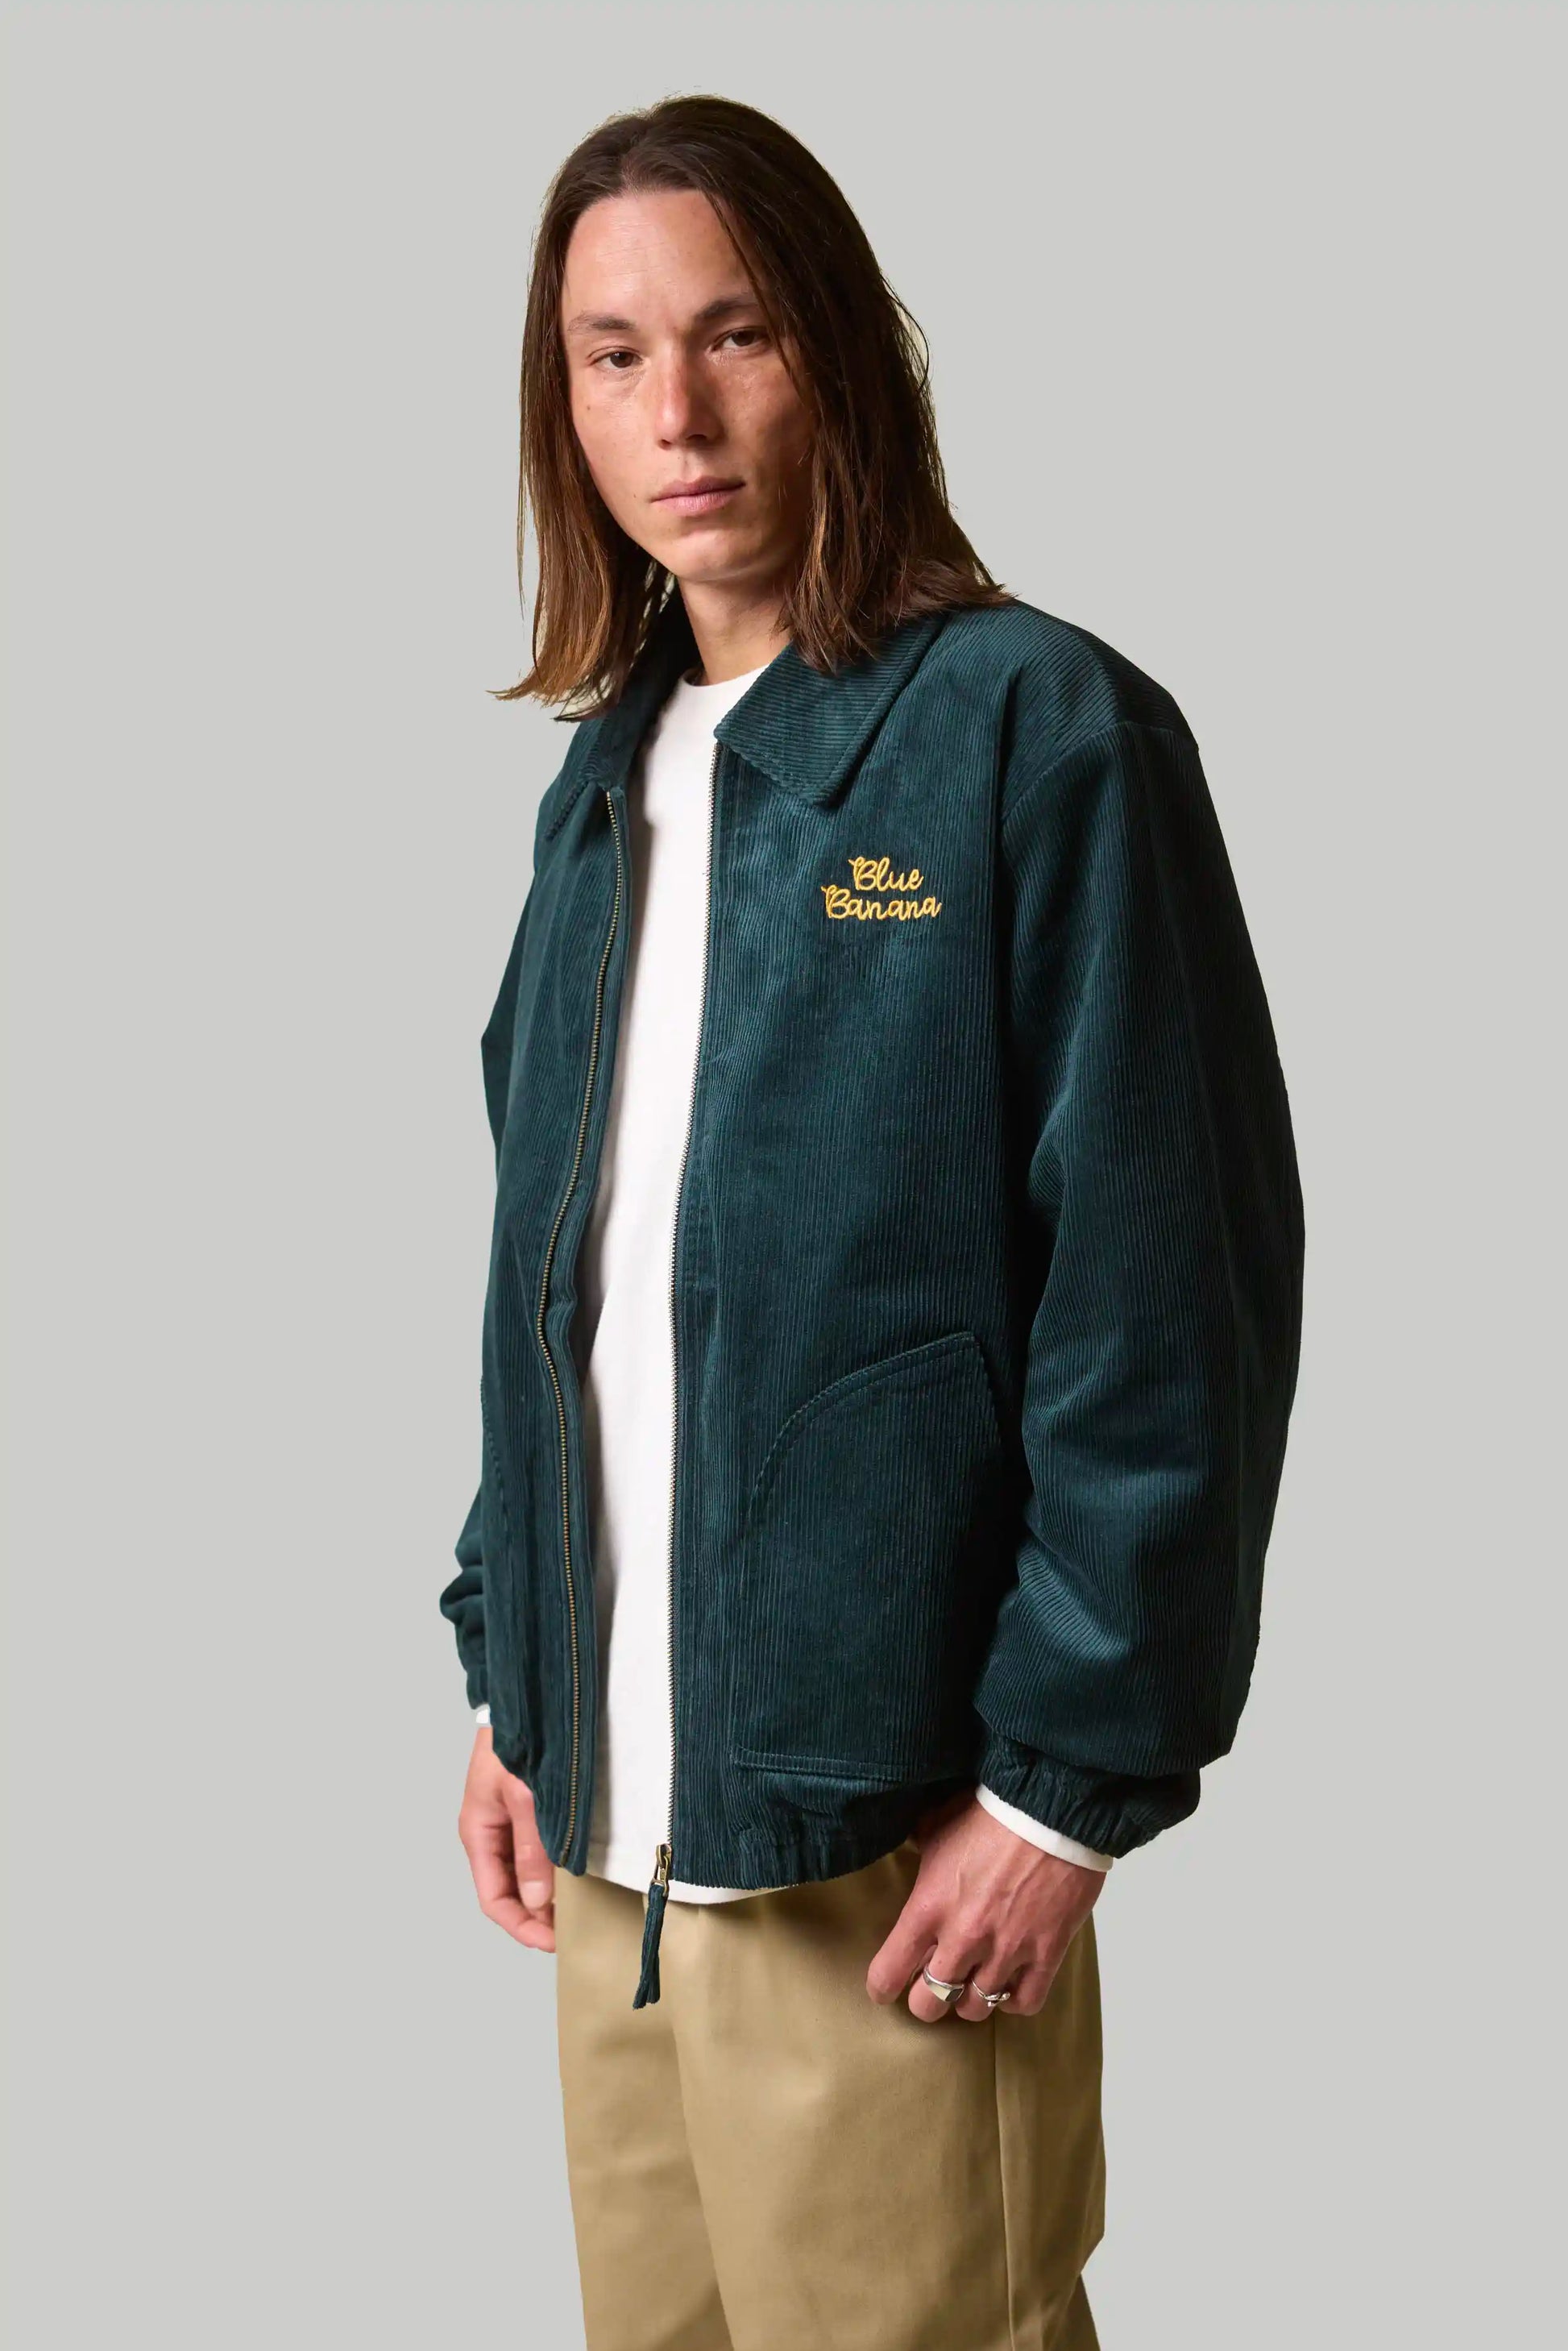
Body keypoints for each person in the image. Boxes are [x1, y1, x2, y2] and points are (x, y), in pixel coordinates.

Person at [439, 94, 1303, 2351]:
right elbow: (575, 1292)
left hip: (891, 1845)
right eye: (611, 355)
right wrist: (518, 1674)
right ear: (561, 406)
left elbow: (1166, 1302)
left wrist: (1061, 1794)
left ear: (842, 350)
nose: (676, 413)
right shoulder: (600, 788)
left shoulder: (1035, 732)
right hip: (617, 1844)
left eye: (734, 335)